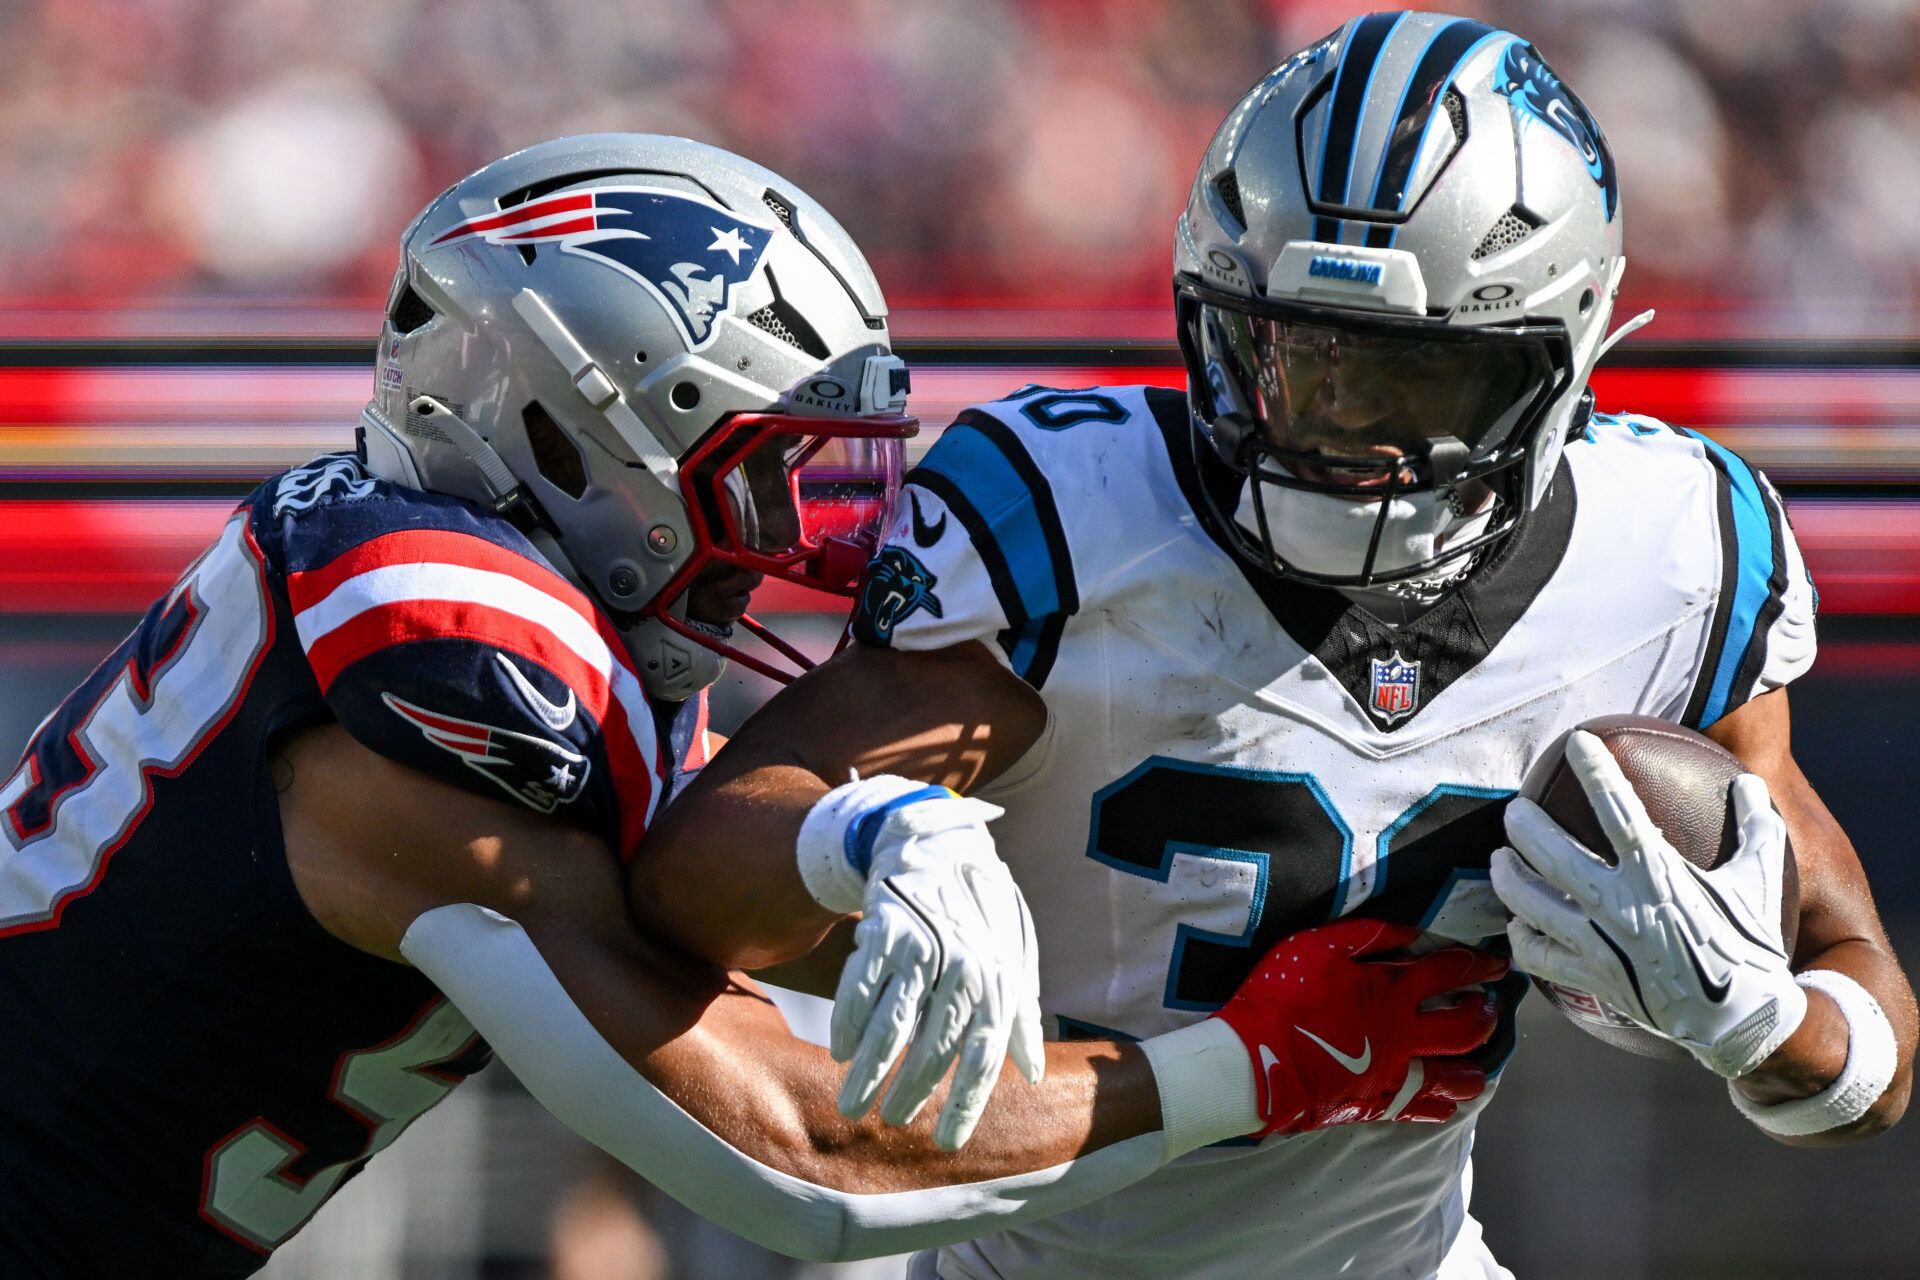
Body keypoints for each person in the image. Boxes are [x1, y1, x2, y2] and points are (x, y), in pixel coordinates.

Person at [0, 133, 1430, 1277]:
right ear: (576, 432)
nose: (813, 546)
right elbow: (803, 1162)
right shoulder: (451, 704)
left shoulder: (485, 627)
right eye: (775, 477)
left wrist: (853, 838)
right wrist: (1254, 1068)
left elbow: (732, 931)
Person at [629, 16, 1918, 1279]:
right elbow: (693, 881)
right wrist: (861, 838)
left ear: (1562, 360)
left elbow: (1872, 1041)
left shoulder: (1669, 556)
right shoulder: (1069, 530)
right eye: (1290, 358)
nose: (1339, 432)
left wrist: (1755, 1020)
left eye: (1413, 380)